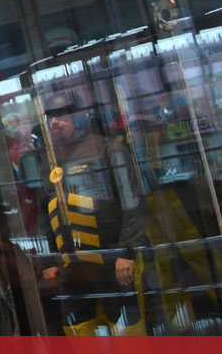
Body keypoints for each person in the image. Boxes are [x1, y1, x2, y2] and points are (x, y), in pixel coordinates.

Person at [38, 91, 149, 336]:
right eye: (50, 117)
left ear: (78, 116)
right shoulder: (48, 160)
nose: (54, 121)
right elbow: (45, 215)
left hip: (113, 264)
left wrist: (126, 252)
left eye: (61, 114)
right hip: (73, 272)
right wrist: (50, 262)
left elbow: (133, 203)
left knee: (128, 333)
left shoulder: (108, 149)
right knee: (80, 333)